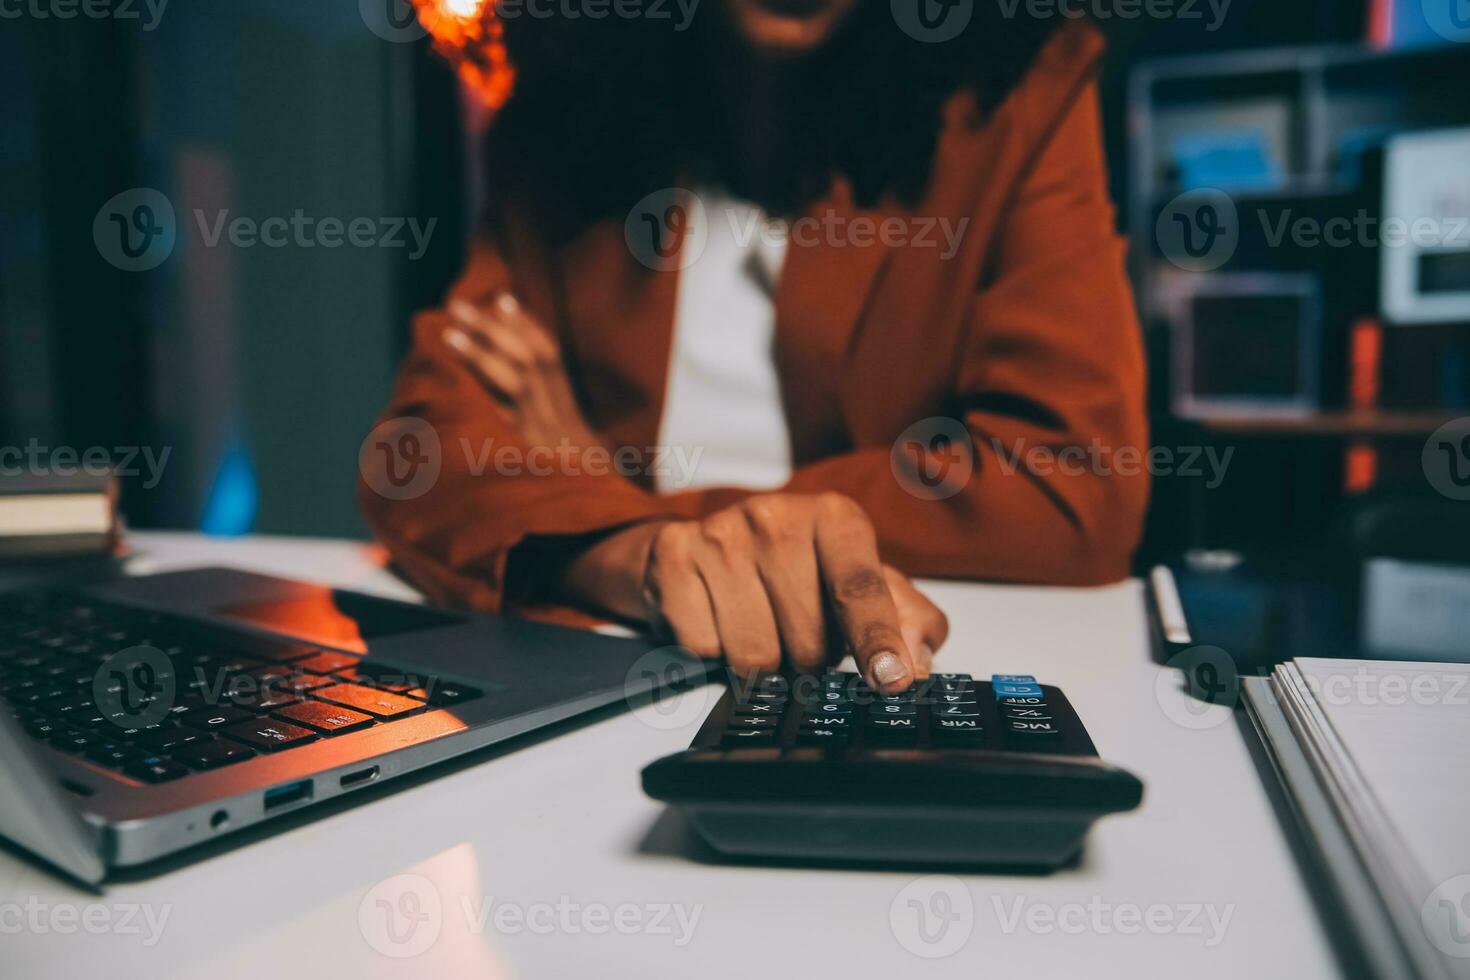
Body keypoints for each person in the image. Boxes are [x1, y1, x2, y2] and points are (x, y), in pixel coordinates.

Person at [359, 0, 1149, 694]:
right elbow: (419, 452)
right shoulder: (557, 116)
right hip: (607, 675)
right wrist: (638, 552)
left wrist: (605, 495)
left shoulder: (1024, 90)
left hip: (880, 683)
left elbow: (1070, 484)